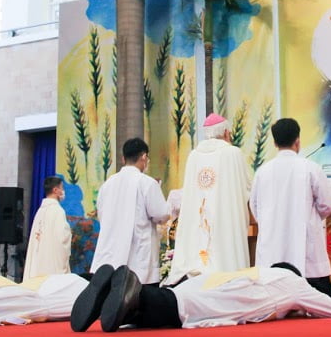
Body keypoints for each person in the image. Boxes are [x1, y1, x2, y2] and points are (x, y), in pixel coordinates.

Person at [250, 118, 331, 304]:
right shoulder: (310, 168)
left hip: (272, 245)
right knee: (320, 295)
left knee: (272, 289)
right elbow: (328, 203)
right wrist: (313, 217)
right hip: (305, 244)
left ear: (275, 142)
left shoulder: (262, 172)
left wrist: (270, 222)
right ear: (297, 140)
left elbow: (254, 207)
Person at [71, 262, 331, 333]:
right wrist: (299, 306)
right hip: (230, 296)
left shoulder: (260, 271)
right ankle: (135, 297)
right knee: (182, 308)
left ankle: (119, 301)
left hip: (211, 281)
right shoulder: (293, 282)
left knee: (176, 298)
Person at [166, 114, 253, 283]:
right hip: (225, 220)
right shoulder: (232, 153)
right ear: (227, 133)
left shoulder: (193, 155)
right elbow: (247, 187)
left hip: (199, 220)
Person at [90, 138, 170, 284]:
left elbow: (102, 216)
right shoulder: (147, 183)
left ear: (123, 158)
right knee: (138, 302)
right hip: (138, 261)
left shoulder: (107, 184)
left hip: (108, 259)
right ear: (144, 157)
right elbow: (162, 214)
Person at [23, 176, 72, 279]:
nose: (63, 191)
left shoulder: (40, 211)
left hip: (37, 266)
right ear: (55, 190)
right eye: (61, 188)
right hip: (52, 266)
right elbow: (62, 238)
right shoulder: (58, 211)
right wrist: (68, 232)